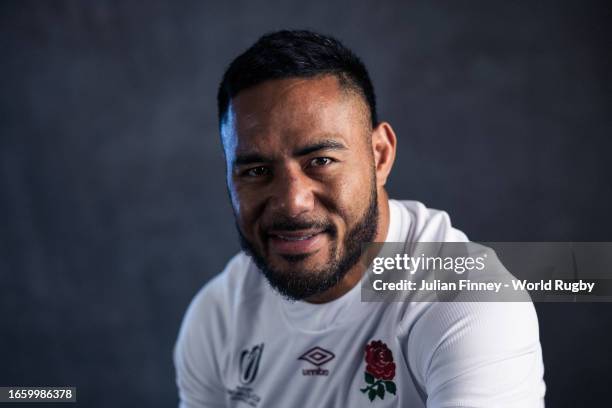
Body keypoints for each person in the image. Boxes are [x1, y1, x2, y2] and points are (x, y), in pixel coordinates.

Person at [174, 30, 546, 407]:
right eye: (255, 171)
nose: (292, 203)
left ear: (380, 156)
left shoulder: (471, 304)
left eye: (320, 161)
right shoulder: (218, 318)